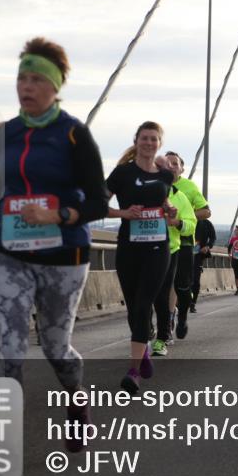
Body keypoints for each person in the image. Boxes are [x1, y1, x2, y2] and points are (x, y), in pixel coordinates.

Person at [0, 37, 108, 453]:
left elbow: (100, 200)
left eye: (35, 79)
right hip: (8, 252)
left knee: (54, 346)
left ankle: (77, 402)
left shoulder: (73, 134)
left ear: (55, 86)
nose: (25, 87)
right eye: (21, 78)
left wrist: (59, 215)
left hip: (63, 252)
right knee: (10, 347)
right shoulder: (5, 134)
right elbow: (3, 188)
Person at [106, 121, 176, 394]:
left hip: (158, 249)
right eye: (144, 138)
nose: (149, 143)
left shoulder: (165, 176)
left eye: (154, 139)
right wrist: (124, 214)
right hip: (129, 249)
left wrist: (170, 212)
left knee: (144, 303)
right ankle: (143, 351)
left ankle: (133, 371)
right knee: (134, 306)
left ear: (159, 142)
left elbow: (165, 204)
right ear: (136, 141)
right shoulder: (122, 173)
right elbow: (99, 203)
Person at [165, 151, 211, 338]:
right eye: (166, 163)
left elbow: (206, 212)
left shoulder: (189, 187)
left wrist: (186, 214)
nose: (171, 167)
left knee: (182, 286)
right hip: (160, 241)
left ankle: (181, 315)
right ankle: (166, 319)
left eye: (175, 164)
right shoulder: (154, 186)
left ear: (182, 168)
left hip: (183, 241)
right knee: (163, 283)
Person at [150, 177, 195, 356]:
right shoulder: (144, 192)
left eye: (173, 165)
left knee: (174, 290)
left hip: (173, 248)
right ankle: (151, 327)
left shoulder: (182, 194)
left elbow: (198, 219)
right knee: (148, 293)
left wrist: (177, 222)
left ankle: (168, 329)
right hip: (143, 249)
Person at [190, 217, 217, 310]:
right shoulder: (185, 217)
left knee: (195, 280)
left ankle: (193, 302)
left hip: (198, 255)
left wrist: (207, 246)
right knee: (183, 279)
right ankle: (182, 302)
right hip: (183, 253)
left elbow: (213, 237)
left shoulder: (206, 223)